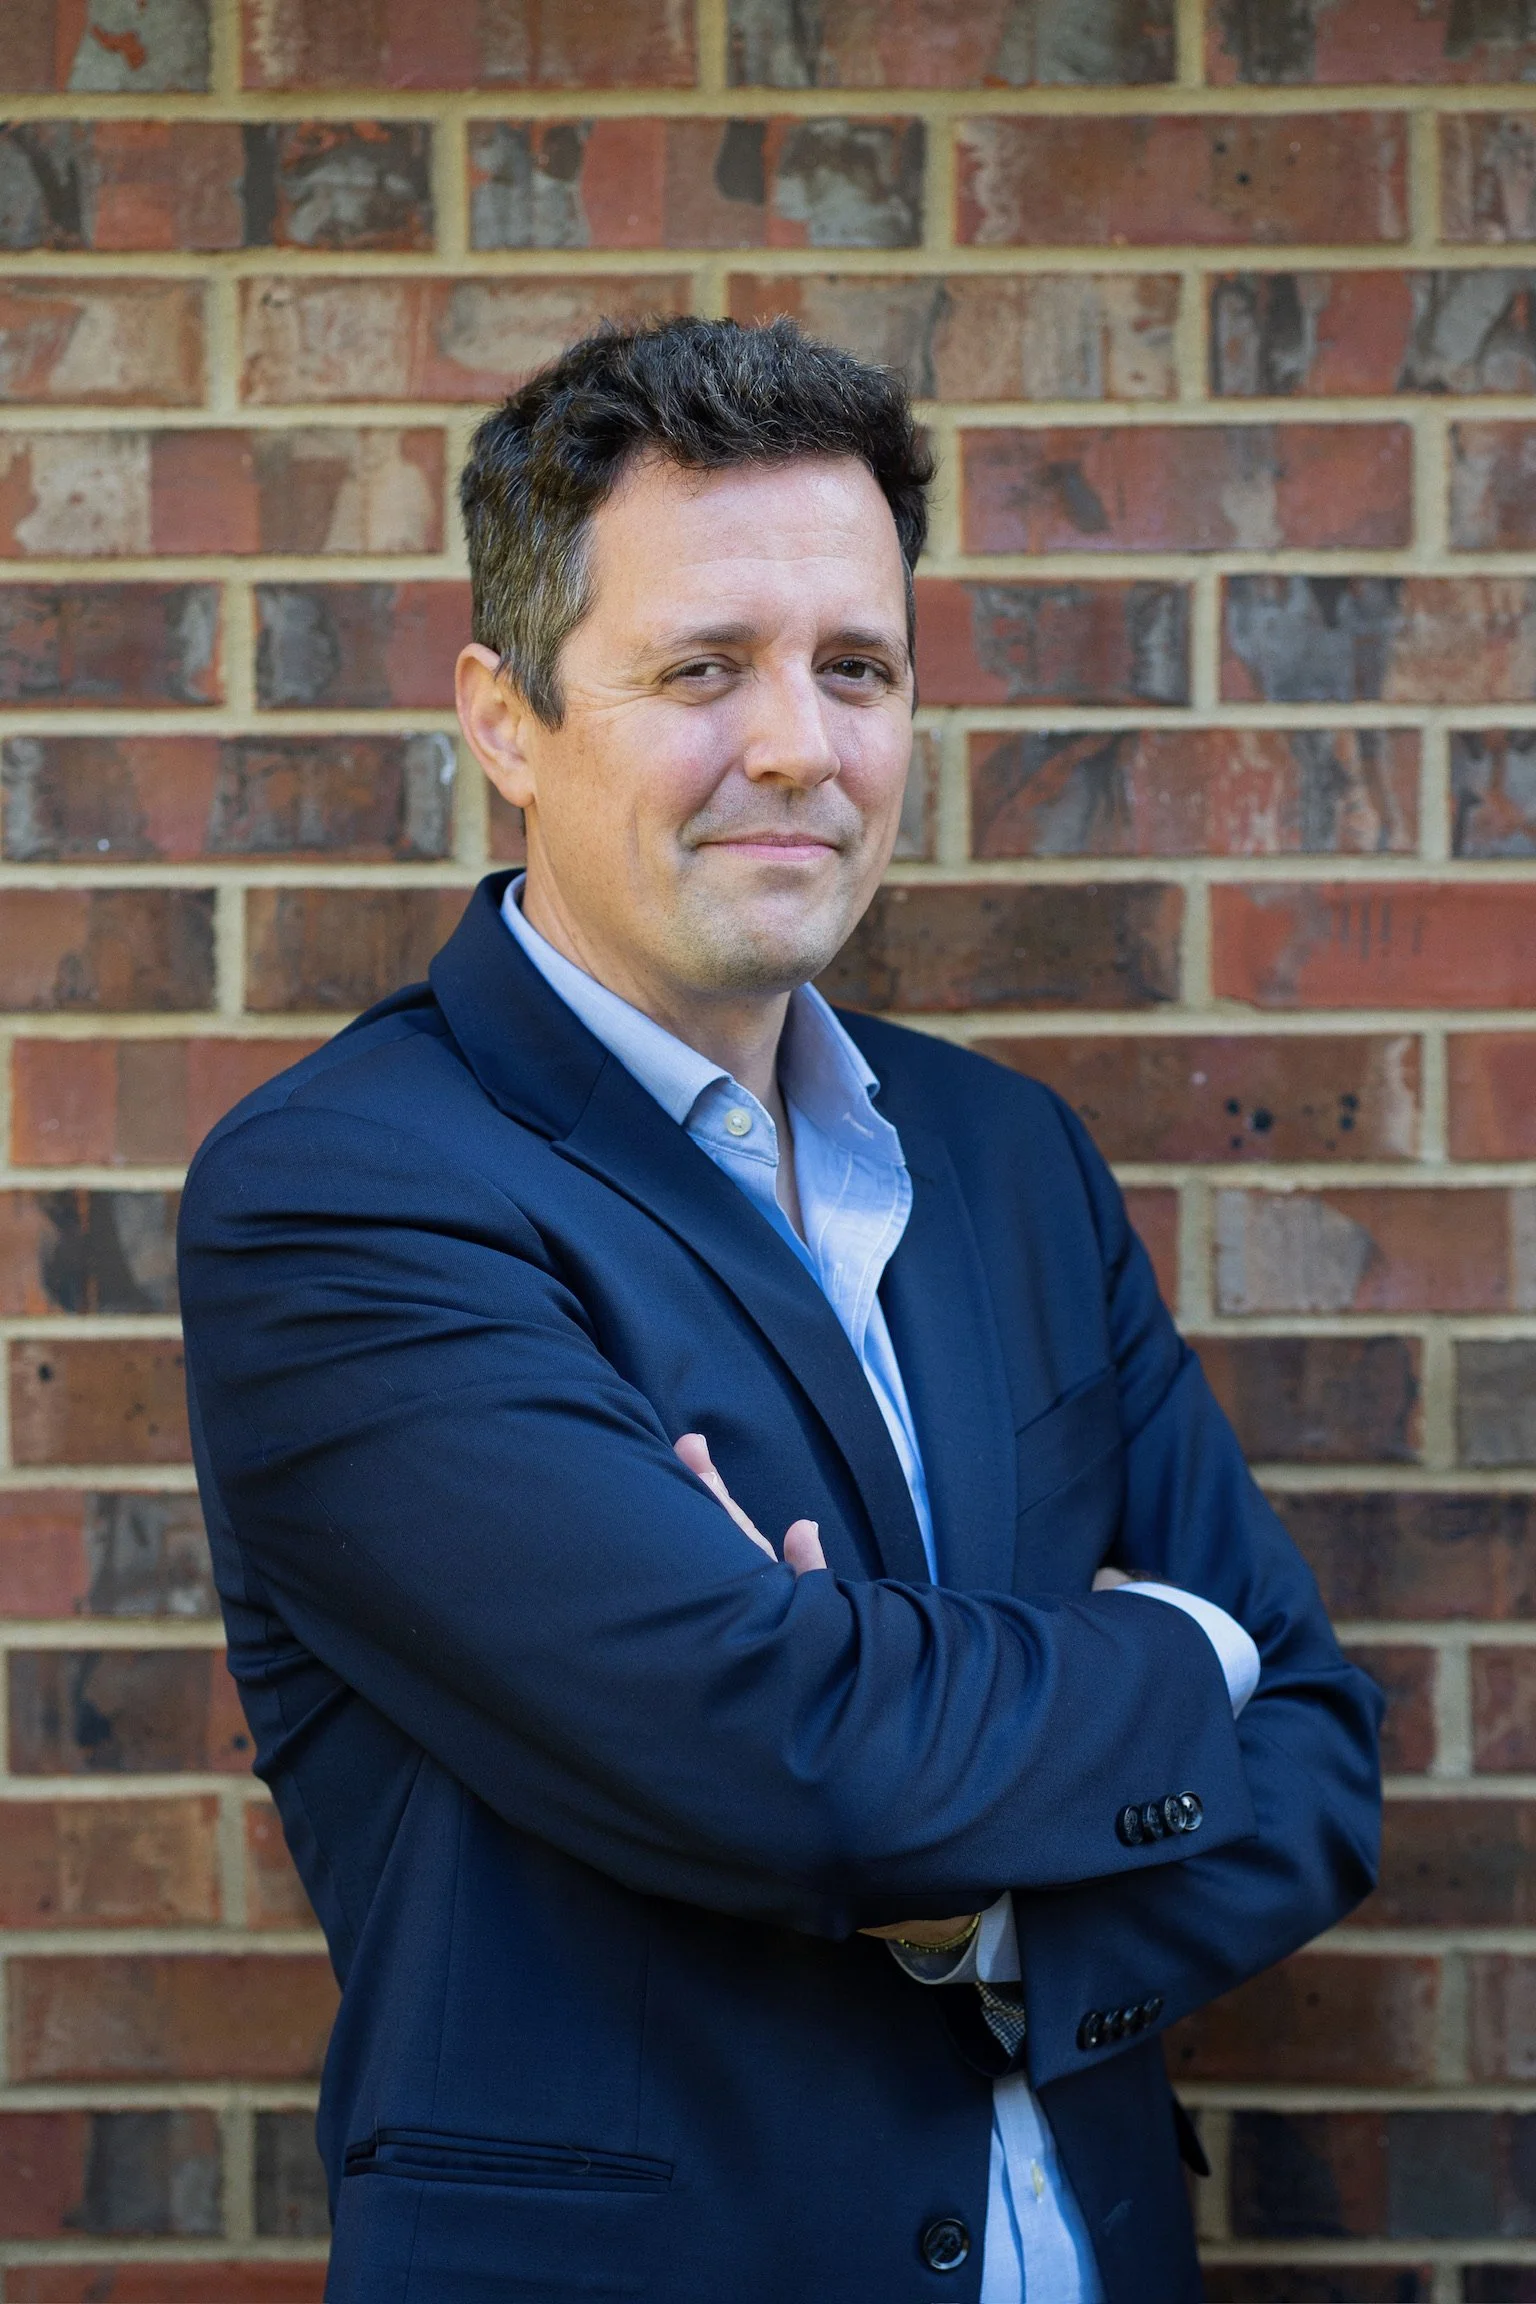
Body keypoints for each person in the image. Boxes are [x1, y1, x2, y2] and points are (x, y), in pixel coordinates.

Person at [177, 317, 1382, 2304]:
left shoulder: (1007, 1157)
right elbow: (795, 1752)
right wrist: (1180, 1652)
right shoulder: (350, 1192)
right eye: (702, 669)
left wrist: (989, 1924)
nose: (801, 747)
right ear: (504, 718)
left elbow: (1321, 1743)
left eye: (857, 669)